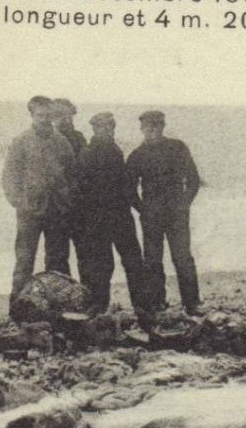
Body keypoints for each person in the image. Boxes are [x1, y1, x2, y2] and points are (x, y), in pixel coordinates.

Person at [1, 95, 75, 313]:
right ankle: (17, 309)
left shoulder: (62, 142)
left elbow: (73, 175)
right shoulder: (21, 142)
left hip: (57, 210)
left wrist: (67, 199)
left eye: (48, 116)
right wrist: (20, 202)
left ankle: (60, 309)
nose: (44, 120)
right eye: (39, 115)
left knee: (58, 262)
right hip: (29, 212)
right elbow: (9, 177)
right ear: (32, 116)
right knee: (24, 261)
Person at [72, 112, 150, 318]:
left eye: (110, 127)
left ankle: (141, 305)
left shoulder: (114, 150)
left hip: (119, 215)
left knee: (131, 260)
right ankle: (101, 306)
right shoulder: (88, 153)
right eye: (102, 128)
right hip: (101, 217)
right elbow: (81, 188)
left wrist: (137, 207)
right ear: (95, 130)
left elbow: (125, 184)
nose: (107, 131)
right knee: (105, 263)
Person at [125, 110, 203, 315]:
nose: (153, 131)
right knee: (152, 260)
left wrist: (184, 204)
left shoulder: (177, 148)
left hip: (177, 213)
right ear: (142, 130)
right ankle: (157, 302)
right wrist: (143, 210)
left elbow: (193, 180)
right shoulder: (137, 155)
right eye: (148, 128)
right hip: (152, 216)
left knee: (183, 258)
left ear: (163, 127)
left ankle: (192, 302)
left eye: (157, 127)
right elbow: (129, 190)